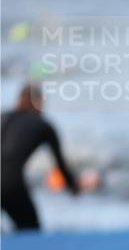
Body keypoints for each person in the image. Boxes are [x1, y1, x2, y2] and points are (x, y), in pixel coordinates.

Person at [1, 83, 79, 230]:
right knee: (30, 229)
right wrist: (73, 187)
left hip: (7, 180)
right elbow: (60, 164)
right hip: (9, 182)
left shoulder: (2, 116)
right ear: (38, 102)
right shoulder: (43, 125)